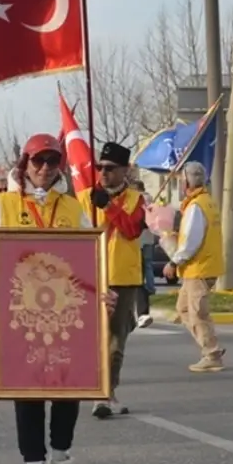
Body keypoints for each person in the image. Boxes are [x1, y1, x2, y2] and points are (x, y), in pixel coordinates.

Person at [0, 134, 118, 464]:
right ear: (25, 162)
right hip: (19, 314)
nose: (45, 168)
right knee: (27, 392)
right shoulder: (2, 206)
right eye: (38, 161)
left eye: (53, 161)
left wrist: (103, 293)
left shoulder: (71, 208)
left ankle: (61, 460)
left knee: (70, 388)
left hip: (65, 313)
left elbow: (89, 260)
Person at [78, 142, 147, 417]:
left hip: (121, 277)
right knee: (92, 337)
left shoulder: (137, 200)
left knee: (116, 340)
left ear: (124, 170)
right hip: (89, 276)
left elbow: (131, 229)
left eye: (110, 168)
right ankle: (95, 389)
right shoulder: (84, 197)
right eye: (100, 167)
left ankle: (107, 391)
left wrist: (108, 206)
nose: (103, 173)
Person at [161, 161, 226, 372]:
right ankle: (210, 346)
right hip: (200, 267)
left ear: (188, 182)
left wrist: (174, 261)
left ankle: (212, 353)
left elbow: (191, 241)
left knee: (198, 313)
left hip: (199, 267)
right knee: (184, 308)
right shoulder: (207, 202)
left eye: (182, 180)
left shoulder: (196, 206)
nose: (181, 184)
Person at [134, 180, 157, 327]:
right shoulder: (150, 199)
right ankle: (150, 286)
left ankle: (142, 311)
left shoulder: (137, 199)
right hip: (148, 238)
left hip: (139, 239)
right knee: (148, 265)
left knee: (139, 271)